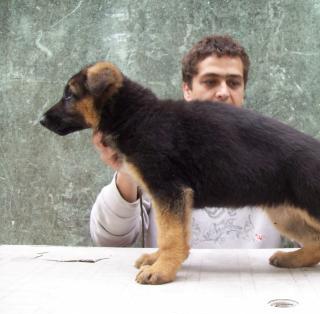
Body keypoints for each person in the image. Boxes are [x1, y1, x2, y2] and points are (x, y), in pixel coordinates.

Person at [90, 35, 282, 248]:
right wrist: (127, 171)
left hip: (255, 280)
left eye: (234, 83)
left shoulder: (273, 151)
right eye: (210, 81)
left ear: (243, 92)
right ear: (187, 91)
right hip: (173, 279)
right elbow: (109, 240)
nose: (224, 92)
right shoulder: (156, 154)